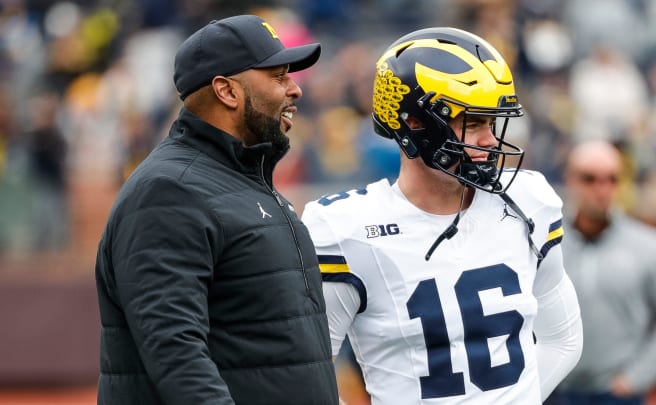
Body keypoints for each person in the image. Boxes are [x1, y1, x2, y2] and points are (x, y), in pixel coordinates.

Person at [301, 27, 583, 404]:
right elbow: (308, 371)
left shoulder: (528, 201)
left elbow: (562, 339)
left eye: (492, 123)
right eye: (474, 122)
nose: (490, 141)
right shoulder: (345, 229)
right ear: (415, 122)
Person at [94, 15, 338, 405]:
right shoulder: (170, 191)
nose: (295, 90)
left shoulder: (243, 182)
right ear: (226, 91)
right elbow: (176, 353)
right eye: (278, 76)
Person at [545, 140, 656, 405]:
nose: (602, 190)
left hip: (617, 394)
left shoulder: (649, 246)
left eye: (612, 179)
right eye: (589, 179)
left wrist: (634, 379)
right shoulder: (544, 243)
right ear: (570, 179)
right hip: (553, 390)